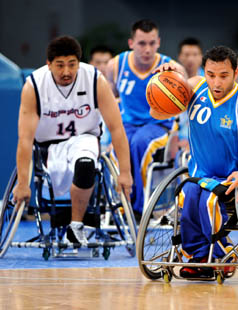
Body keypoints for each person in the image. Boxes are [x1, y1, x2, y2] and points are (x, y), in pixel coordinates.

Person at [151, 46, 238, 278]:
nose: (216, 83)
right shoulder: (194, 88)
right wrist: (164, 80)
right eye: (211, 75)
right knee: (188, 194)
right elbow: (157, 113)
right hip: (201, 177)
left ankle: (224, 254)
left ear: (235, 72)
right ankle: (198, 258)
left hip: (237, 178)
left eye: (223, 76)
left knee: (209, 201)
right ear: (205, 72)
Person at [12, 36, 133, 245]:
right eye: (59, 65)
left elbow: (117, 128)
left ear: (80, 62)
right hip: (49, 147)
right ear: (48, 64)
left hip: (84, 138)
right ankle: (69, 219)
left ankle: (76, 227)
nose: (66, 72)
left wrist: (125, 172)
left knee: (86, 164)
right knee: (56, 179)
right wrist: (23, 184)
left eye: (72, 64)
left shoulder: (95, 80)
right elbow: (25, 139)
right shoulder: (34, 85)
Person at [105, 20, 185, 215]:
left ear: (158, 42)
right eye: (142, 43)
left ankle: (140, 209)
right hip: (128, 124)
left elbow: (184, 103)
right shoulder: (115, 65)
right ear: (131, 43)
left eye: (151, 43)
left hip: (159, 125)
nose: (147, 49)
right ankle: (121, 204)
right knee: (118, 145)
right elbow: (109, 100)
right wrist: (108, 137)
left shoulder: (172, 68)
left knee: (140, 143)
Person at [177, 37, 204, 149]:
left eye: (195, 54)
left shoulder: (211, 82)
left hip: (203, 137)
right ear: (180, 57)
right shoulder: (170, 83)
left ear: (201, 57)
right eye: (187, 55)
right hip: (177, 138)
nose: (191, 59)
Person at [89, 45, 114, 151]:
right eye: (98, 63)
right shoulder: (81, 91)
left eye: (106, 63)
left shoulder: (122, 91)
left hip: (112, 147)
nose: (102, 67)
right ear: (90, 64)